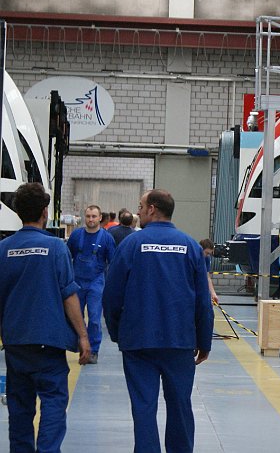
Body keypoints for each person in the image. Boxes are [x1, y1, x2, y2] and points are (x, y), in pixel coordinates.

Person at [103, 189, 214, 453]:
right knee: (180, 406)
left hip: (138, 342)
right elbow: (203, 300)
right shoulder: (190, 246)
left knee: (143, 407)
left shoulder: (131, 245)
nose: (138, 211)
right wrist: (204, 341)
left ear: (152, 209)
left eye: (141, 206)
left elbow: (111, 295)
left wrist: (118, 333)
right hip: (179, 341)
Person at [0, 182, 91, 453]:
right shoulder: (55, 248)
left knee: (19, 406)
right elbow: (69, 296)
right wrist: (83, 336)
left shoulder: (3, 249)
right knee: (53, 401)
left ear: (18, 212)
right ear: (45, 212)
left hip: (16, 342)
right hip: (49, 342)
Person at [66, 204, 116, 364]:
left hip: (96, 282)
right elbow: (67, 257)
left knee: (94, 318)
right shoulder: (76, 235)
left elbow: (113, 262)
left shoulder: (107, 238)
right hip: (77, 282)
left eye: (94, 216)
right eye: (88, 216)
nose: (91, 219)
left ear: (100, 218)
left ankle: (93, 350)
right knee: (76, 316)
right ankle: (81, 346)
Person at [198, 238, 220, 305]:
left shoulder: (206, 258)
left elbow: (207, 277)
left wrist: (213, 294)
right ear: (200, 249)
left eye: (209, 254)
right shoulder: (193, 257)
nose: (207, 255)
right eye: (207, 253)